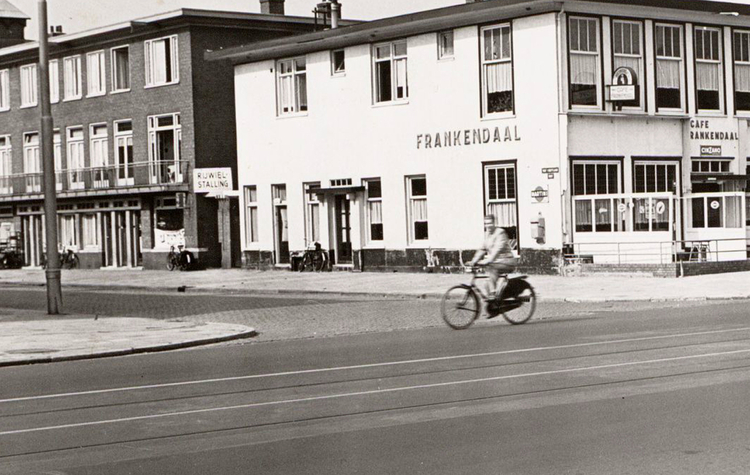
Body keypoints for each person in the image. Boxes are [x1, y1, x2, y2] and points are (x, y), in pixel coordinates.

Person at [469, 215, 516, 300]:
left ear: (494, 223)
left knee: (492, 268)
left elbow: (497, 249)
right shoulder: (488, 234)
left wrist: (488, 260)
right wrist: (473, 261)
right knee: (486, 283)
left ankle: (493, 294)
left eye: (490, 223)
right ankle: (494, 303)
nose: (488, 225)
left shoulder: (500, 233)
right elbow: (483, 249)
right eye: (486, 224)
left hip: (507, 261)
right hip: (497, 262)